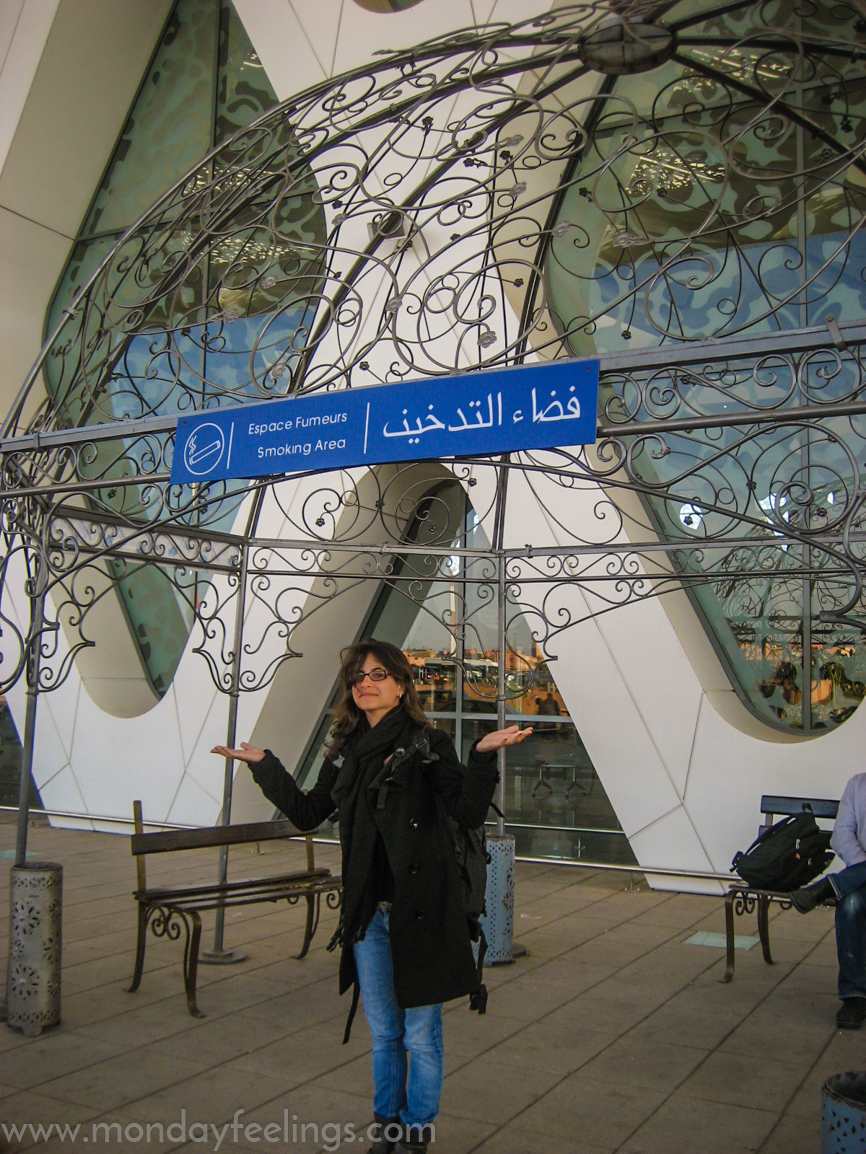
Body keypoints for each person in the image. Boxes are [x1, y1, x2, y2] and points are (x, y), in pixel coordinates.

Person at [212, 639, 531, 1153]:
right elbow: (309, 812)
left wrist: (481, 757)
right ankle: (388, 1129)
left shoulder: (430, 743)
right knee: (385, 1032)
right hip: (368, 914)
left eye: (378, 674)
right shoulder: (344, 752)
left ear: (401, 685)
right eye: (358, 677)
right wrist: (264, 764)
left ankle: (416, 1132)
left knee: (420, 1034)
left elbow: (467, 813)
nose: (366, 683)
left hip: (421, 909)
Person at [790, 772, 866, 1029]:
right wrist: (862, 867)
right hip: (861, 879)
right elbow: (842, 834)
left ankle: (829, 886)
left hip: (857, 876)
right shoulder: (858, 785)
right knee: (851, 903)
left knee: (848, 892)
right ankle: (855, 997)